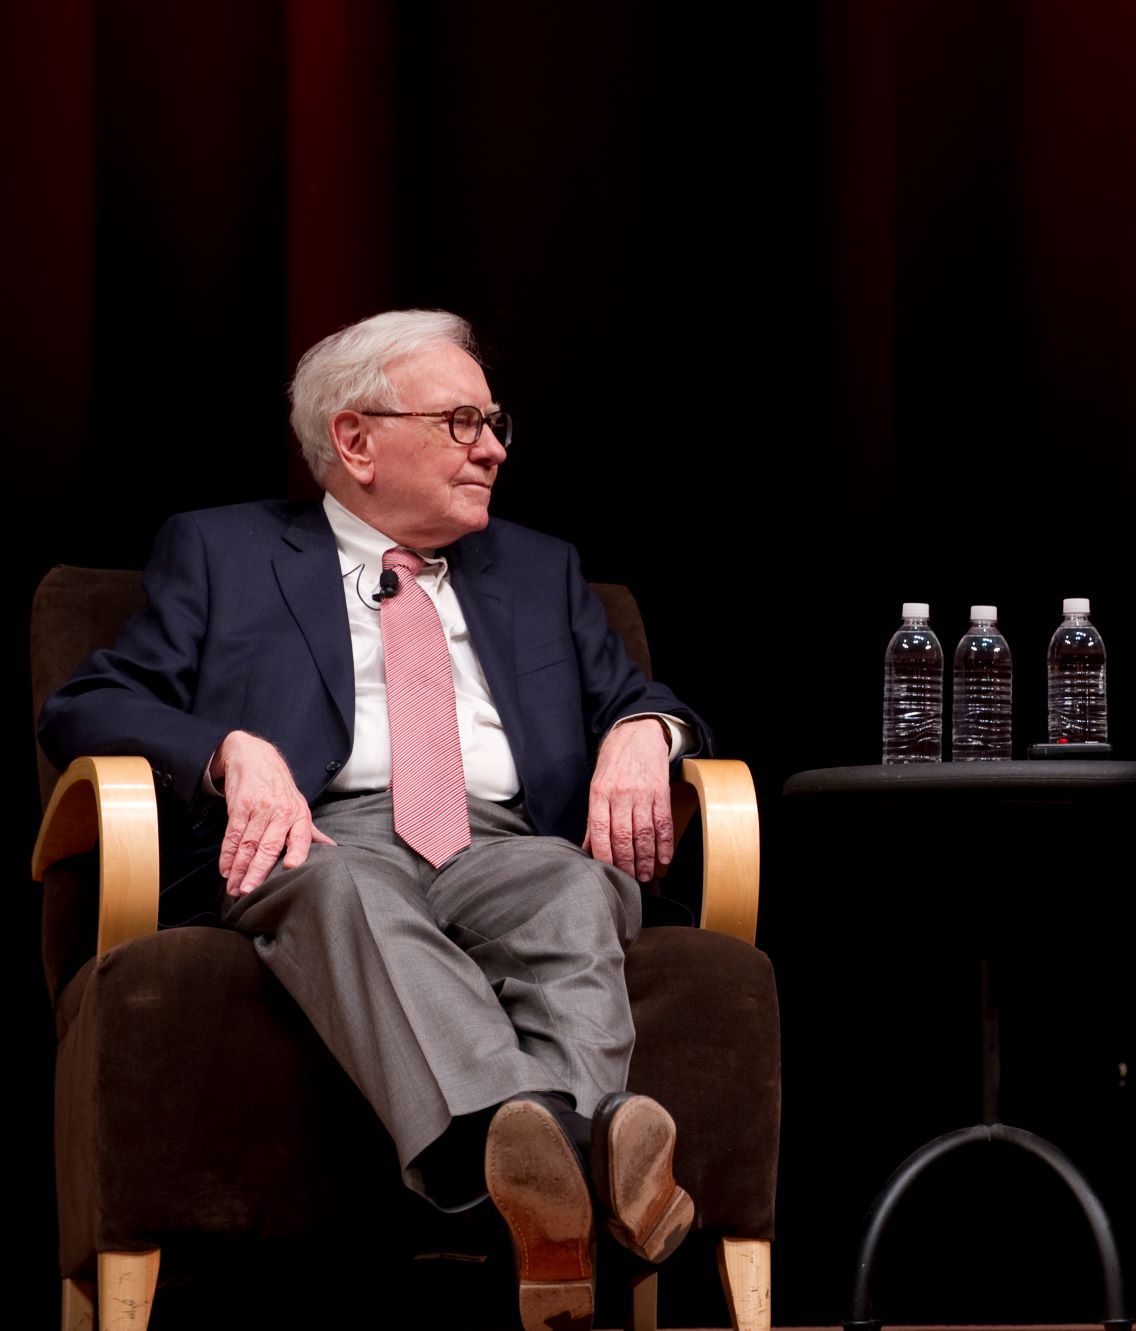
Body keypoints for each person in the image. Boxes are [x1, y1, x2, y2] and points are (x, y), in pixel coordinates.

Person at [41, 309, 704, 1331]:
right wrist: (229, 747)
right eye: (459, 421)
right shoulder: (223, 550)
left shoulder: (539, 569)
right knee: (338, 873)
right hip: (323, 833)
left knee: (578, 882)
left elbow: (635, 696)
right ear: (355, 440)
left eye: (493, 422)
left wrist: (648, 730)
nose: (490, 446)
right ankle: (571, 1156)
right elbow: (88, 702)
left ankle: (543, 1181)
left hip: (506, 841)